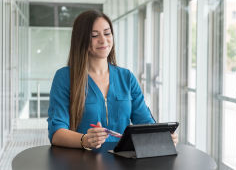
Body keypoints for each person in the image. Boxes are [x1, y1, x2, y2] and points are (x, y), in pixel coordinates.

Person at [47, 10, 178, 150]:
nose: (103, 40)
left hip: (123, 160)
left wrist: (162, 135)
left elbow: (145, 122)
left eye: (107, 33)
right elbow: (56, 133)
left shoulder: (126, 77)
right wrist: (84, 140)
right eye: (94, 35)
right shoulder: (65, 78)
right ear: (81, 39)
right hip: (82, 161)